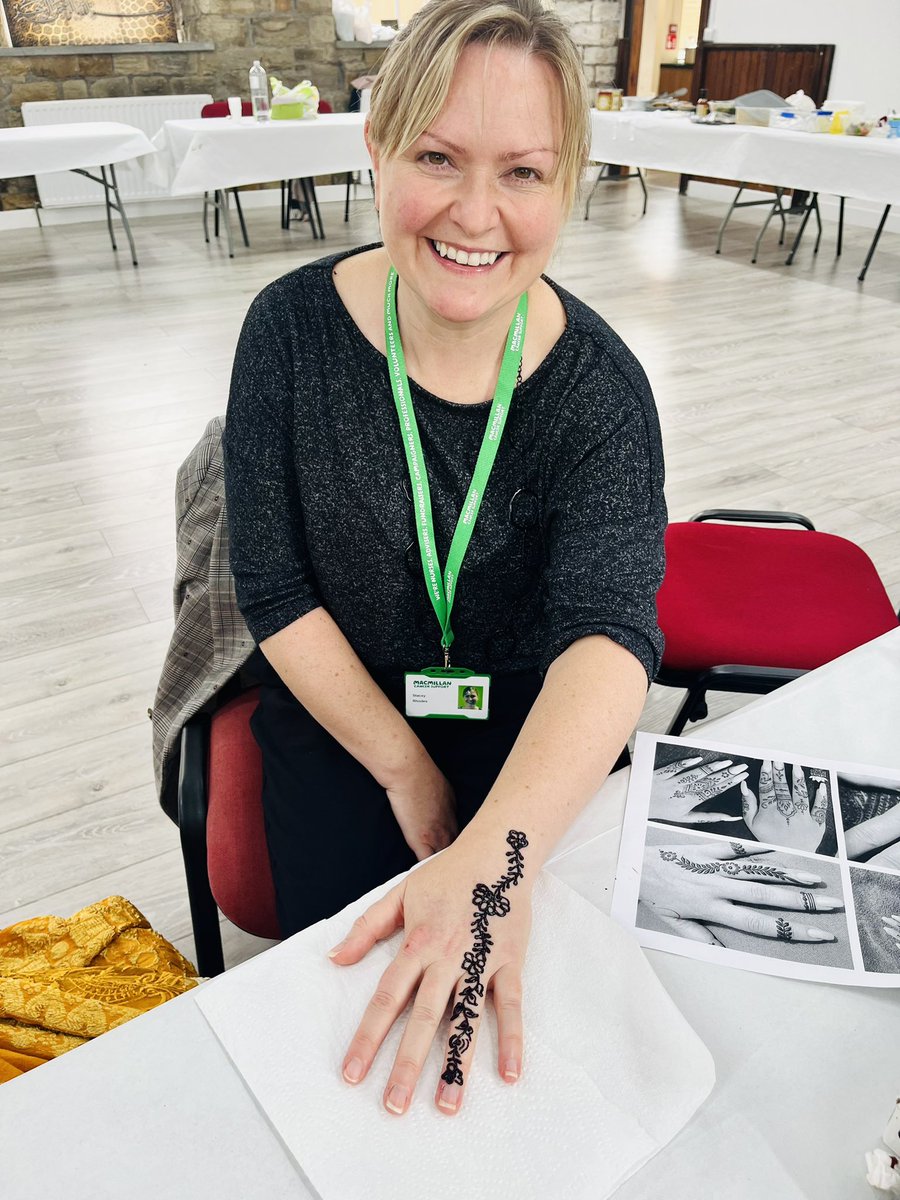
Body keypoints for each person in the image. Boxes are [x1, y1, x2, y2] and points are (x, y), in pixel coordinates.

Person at [223, 0, 665, 1119]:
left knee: (547, 1049)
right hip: (344, 717)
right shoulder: (286, 332)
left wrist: (496, 859)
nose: (477, 215)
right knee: (360, 1053)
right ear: (375, 150)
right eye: (436, 157)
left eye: (523, 171)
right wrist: (408, 772)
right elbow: (272, 592)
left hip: (531, 732)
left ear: (570, 183)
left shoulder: (604, 391)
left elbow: (611, 636)